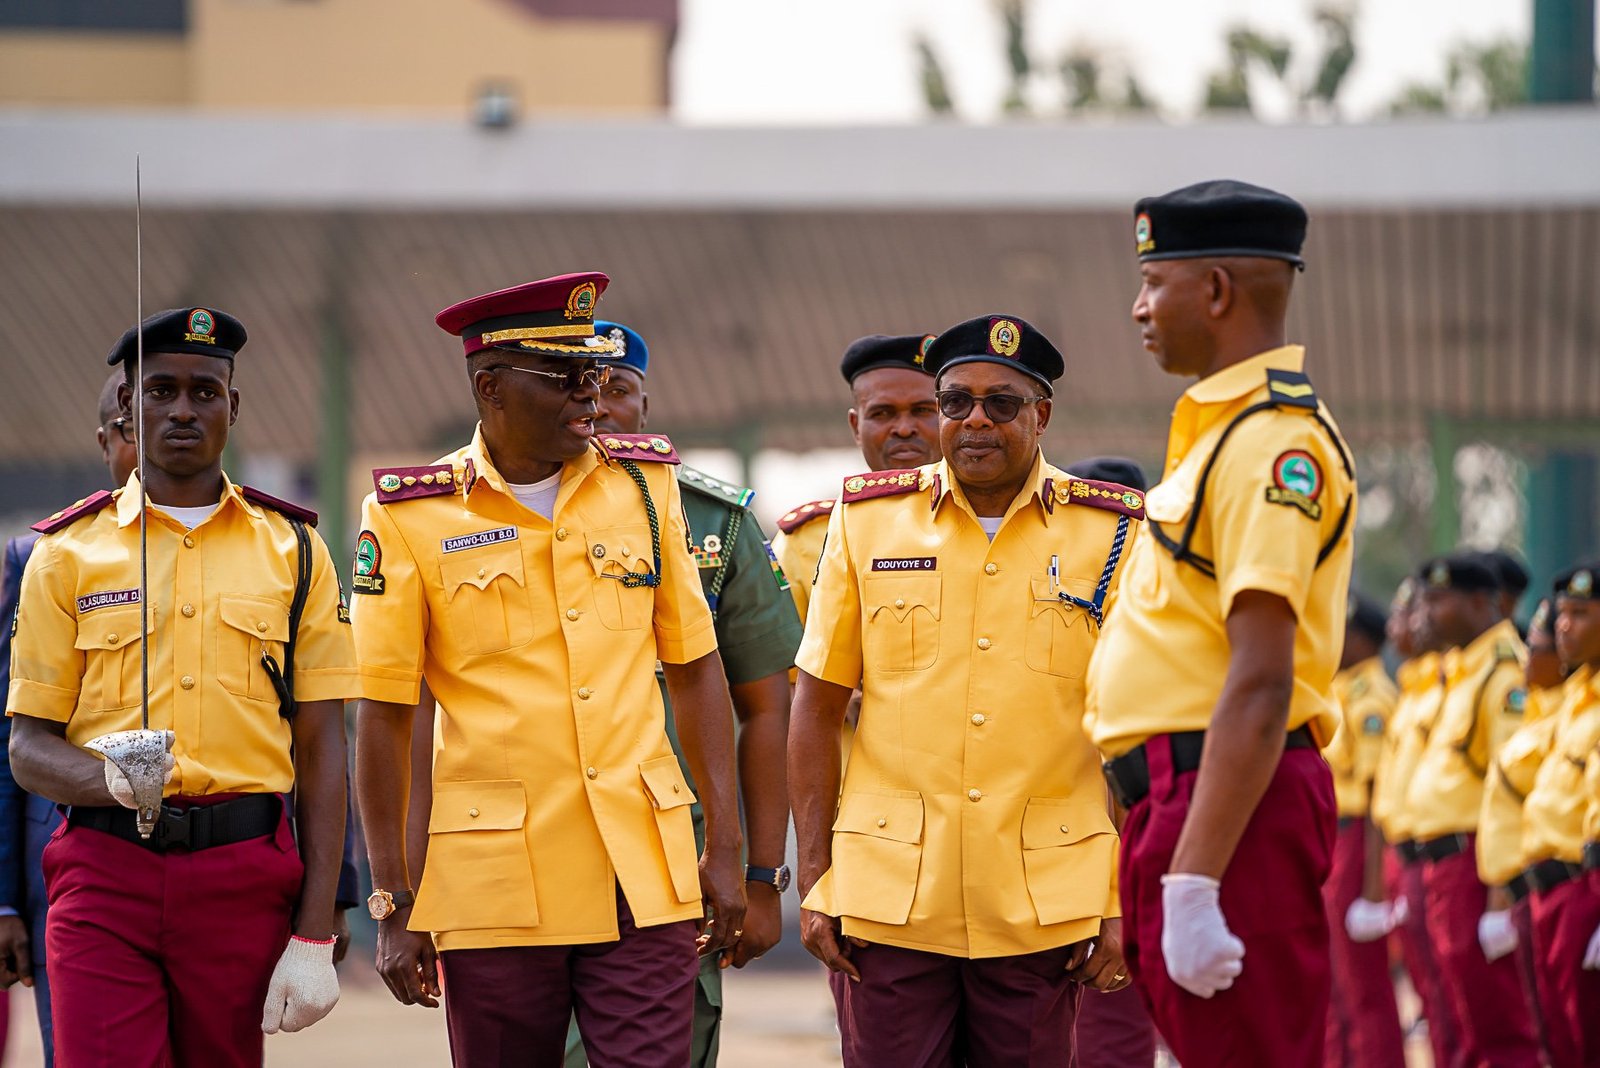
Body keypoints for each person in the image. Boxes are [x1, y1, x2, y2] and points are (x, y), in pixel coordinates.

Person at [351, 273, 746, 1067]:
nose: (589, 398)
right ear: (488, 386)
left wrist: (726, 848)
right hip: (496, 883)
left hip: (643, 873)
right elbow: (387, 716)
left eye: (595, 376)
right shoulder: (409, 515)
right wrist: (393, 898)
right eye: (563, 379)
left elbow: (697, 668)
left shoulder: (644, 483)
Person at [5, 308, 355, 1066]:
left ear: (233, 408)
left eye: (204, 391)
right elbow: (28, 749)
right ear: (127, 408)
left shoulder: (295, 550)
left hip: (244, 879)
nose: (183, 410)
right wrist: (110, 778)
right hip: (103, 879)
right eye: (160, 390)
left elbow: (325, 744)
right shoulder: (65, 555)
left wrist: (318, 925)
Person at [790, 313, 1135, 1068]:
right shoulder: (867, 521)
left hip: (1043, 905)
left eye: (1002, 403)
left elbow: (1131, 736)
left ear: (1041, 415)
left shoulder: (1114, 536)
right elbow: (814, 710)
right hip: (888, 901)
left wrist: (1120, 896)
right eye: (956, 402)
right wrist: (816, 879)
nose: (975, 420)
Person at [1085, 179, 1356, 1066]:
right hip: (1188, 802)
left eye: (1152, 282)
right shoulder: (1221, 436)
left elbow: (1263, 676)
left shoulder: (1272, 444)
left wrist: (1197, 878)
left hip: (1229, 807)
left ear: (1215, 292)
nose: (1138, 308)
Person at [551, 319, 803, 1067]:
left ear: (645, 407)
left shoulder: (711, 526)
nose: (596, 408)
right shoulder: (483, 515)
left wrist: (760, 876)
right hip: (523, 854)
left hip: (674, 862)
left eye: (616, 390)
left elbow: (766, 708)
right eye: (577, 387)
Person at [1406, 551, 1538, 1065]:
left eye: (1439, 600)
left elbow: (1512, 788)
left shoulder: (1503, 674)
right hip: (1443, 866)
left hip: (1474, 866)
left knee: (1496, 1025)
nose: (1427, 612)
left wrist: (1501, 898)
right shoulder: (1463, 670)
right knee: (1459, 1021)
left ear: (1483, 603)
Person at [1064, 455, 1161, 1068]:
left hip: (1122, 855)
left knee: (1108, 1038)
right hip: (1053, 857)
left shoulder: (1151, 607)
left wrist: (1120, 903)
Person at [772, 333, 937, 626]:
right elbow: (785, 668)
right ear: (855, 426)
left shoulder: (989, 525)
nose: (903, 428)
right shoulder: (807, 540)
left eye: (923, 411)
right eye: (882, 413)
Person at [1367, 577, 1461, 1063]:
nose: (1403, 625)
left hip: (1457, 857)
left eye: (1418, 611)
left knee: (1469, 1010)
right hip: (1411, 855)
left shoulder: (1465, 682)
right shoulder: (1418, 688)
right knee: (1437, 1000)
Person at [1477, 596, 1566, 1063]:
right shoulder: (1541, 710)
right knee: (1544, 1031)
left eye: (1538, 645)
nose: (1528, 656)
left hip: (1565, 885)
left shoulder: (1570, 715)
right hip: (1529, 889)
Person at [1517, 563, 1600, 1065]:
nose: (1564, 626)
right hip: (1548, 891)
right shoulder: (1571, 701)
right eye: (1562, 614)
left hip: (1584, 889)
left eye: (1582, 614)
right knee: (1561, 1044)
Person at [1322, 592, 1406, 1068]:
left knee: (1362, 983)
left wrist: (1373, 887)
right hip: (1332, 840)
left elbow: (1376, 797)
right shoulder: (1337, 689)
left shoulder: (1372, 697)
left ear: (1361, 639)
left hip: (1356, 842)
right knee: (1332, 979)